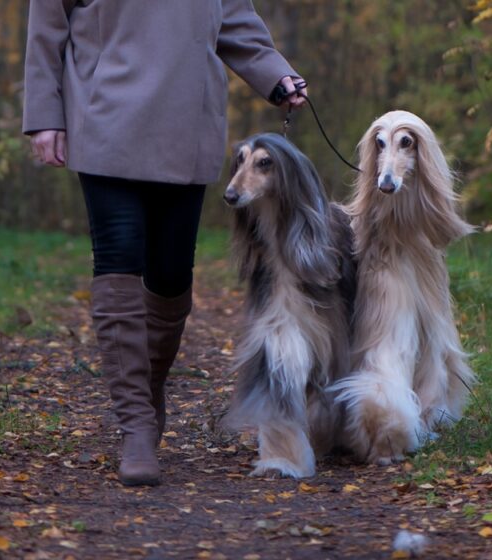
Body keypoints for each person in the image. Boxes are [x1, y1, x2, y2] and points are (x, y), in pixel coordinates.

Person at [23, 0, 307, 487]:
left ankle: (150, 386)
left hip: (187, 122)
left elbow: (233, 16)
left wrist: (275, 75)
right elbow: (48, 27)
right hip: (104, 113)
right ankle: (135, 423)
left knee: (172, 273)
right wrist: (45, 113)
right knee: (118, 256)